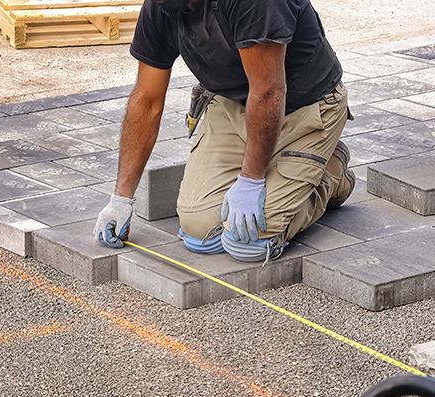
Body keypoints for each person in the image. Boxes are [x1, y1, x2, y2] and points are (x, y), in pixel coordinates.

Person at [93, 0, 355, 263]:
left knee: (249, 244)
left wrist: (251, 180)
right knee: (201, 236)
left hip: (305, 107)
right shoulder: (162, 5)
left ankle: (331, 174)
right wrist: (122, 198)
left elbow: (268, 92)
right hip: (234, 105)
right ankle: (288, 167)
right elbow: (147, 100)